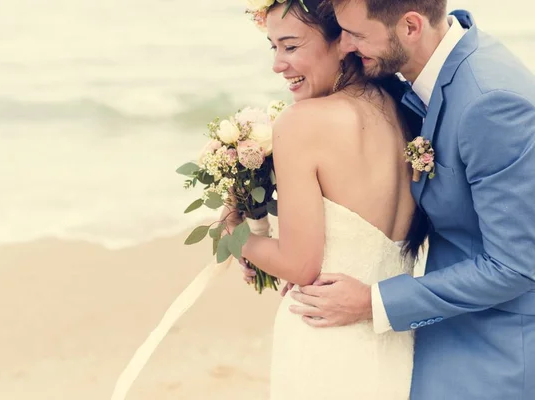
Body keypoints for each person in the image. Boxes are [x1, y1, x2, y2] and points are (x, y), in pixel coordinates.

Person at [283, 1, 535, 398]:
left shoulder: (491, 103)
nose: (344, 46)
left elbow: (516, 265)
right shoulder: (422, 79)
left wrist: (372, 301)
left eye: (357, 35)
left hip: (492, 353)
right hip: (435, 333)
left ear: (411, 27)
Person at [225, 0, 427, 398]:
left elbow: (299, 265)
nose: (278, 64)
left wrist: (232, 235)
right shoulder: (406, 113)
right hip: (393, 344)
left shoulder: (302, 123)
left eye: (291, 46)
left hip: (324, 342)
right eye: (273, 47)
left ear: (344, 41)